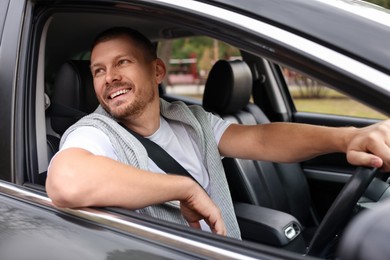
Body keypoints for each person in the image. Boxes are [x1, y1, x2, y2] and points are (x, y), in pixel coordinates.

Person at [46, 27, 390, 240]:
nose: (109, 78)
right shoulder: (95, 132)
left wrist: (346, 138)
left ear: (157, 71)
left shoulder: (190, 119)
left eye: (123, 63)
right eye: (98, 71)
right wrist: (184, 189)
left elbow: (261, 139)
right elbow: (67, 180)